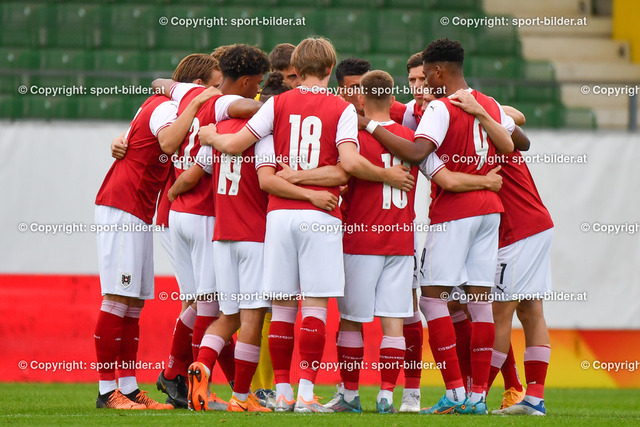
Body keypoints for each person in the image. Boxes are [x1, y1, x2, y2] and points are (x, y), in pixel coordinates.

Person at [197, 37, 414, 413]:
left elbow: (234, 145)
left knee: (282, 307)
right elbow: (348, 166)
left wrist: (211, 135)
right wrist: (384, 174)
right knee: (314, 306)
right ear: (330, 69)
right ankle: (306, 394)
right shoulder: (341, 108)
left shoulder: (276, 103)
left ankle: (282, 392)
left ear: (296, 69)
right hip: (321, 216)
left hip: (279, 216)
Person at [94, 53, 221, 410]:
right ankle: (107, 391)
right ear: (198, 85)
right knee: (117, 298)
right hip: (124, 206)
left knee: (133, 303)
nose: (218, 92)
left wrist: (121, 140)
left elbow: (135, 139)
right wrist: (194, 104)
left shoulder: (164, 106)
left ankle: (129, 388)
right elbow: (166, 143)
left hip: (138, 210)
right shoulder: (169, 108)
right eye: (214, 86)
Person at [151, 44, 268, 410]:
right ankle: (192, 385)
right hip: (204, 216)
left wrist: (173, 192)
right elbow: (247, 107)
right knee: (210, 306)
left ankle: (182, 375)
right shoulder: (220, 104)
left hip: (178, 213)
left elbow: (158, 82)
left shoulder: (184, 96)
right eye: (213, 82)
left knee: (202, 304)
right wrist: (284, 108)